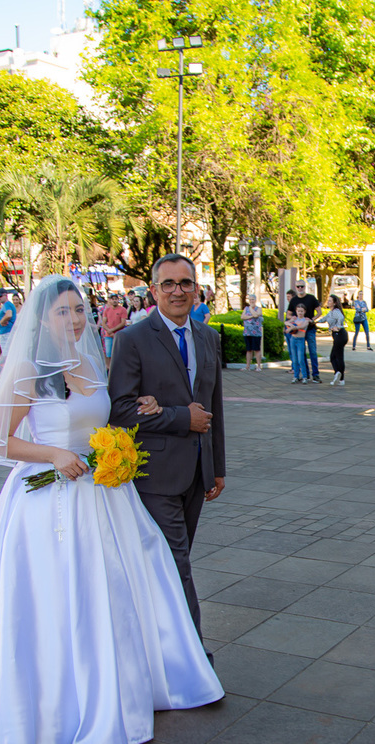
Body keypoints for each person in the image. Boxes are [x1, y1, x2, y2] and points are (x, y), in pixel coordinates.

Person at [0, 275, 222, 744]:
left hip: (104, 491)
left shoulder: (88, 358)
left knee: (121, 587)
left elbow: (104, 419)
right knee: (65, 594)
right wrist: (55, 454)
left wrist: (139, 415)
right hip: (50, 498)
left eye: (79, 309)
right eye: (63, 312)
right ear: (41, 319)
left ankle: (123, 686)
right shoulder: (32, 371)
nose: (75, 319)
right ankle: (64, 700)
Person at [108, 255, 227, 652]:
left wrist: (218, 467)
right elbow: (120, 410)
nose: (178, 291)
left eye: (186, 283)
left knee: (170, 563)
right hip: (154, 474)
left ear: (198, 288)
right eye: (169, 284)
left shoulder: (209, 337)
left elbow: (215, 407)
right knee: (177, 563)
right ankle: (191, 654)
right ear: (154, 290)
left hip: (198, 472)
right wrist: (180, 418)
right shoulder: (132, 339)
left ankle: (151, 642)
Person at [288, 280, 321, 382]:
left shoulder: (311, 298)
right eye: (298, 287)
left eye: (302, 286)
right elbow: (288, 314)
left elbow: (319, 312)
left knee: (313, 352)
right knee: (301, 354)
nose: (300, 288)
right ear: (295, 287)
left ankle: (315, 374)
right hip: (298, 332)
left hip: (310, 329)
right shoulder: (294, 300)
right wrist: (292, 319)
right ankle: (305, 375)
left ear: (305, 287)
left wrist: (312, 319)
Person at [315, 294, 348, 385]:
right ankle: (340, 377)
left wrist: (338, 326)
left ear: (334, 303)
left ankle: (339, 374)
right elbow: (324, 319)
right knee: (335, 356)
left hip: (340, 335)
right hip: (338, 335)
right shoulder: (331, 312)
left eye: (330, 301)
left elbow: (341, 318)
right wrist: (313, 321)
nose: (328, 302)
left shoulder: (336, 311)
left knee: (337, 356)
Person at [99, 294, 129, 365]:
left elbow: (122, 323)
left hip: (119, 335)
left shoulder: (123, 309)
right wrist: (109, 331)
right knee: (108, 354)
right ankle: (109, 370)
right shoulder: (107, 310)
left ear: (118, 300)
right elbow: (103, 323)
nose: (114, 301)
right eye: (113, 299)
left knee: (119, 354)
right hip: (108, 335)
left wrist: (112, 330)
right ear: (110, 300)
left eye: (116, 299)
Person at [286, 304, 310, 383]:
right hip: (293, 339)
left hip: (300, 340)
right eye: (298, 311)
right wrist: (291, 323)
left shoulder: (305, 320)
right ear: (296, 311)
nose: (300, 313)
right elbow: (286, 323)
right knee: (295, 359)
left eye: (301, 311)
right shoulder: (294, 319)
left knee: (301, 359)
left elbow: (302, 326)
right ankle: (296, 376)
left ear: (304, 312)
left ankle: (304, 376)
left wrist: (292, 327)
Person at [242, 293, 264, 370]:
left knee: (257, 349)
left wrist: (251, 309)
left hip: (256, 333)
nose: (251, 301)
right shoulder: (246, 308)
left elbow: (256, 315)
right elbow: (243, 317)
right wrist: (251, 316)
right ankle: (247, 366)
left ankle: (258, 366)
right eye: (250, 299)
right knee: (248, 350)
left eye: (253, 299)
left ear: (255, 300)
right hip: (247, 332)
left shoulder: (258, 308)